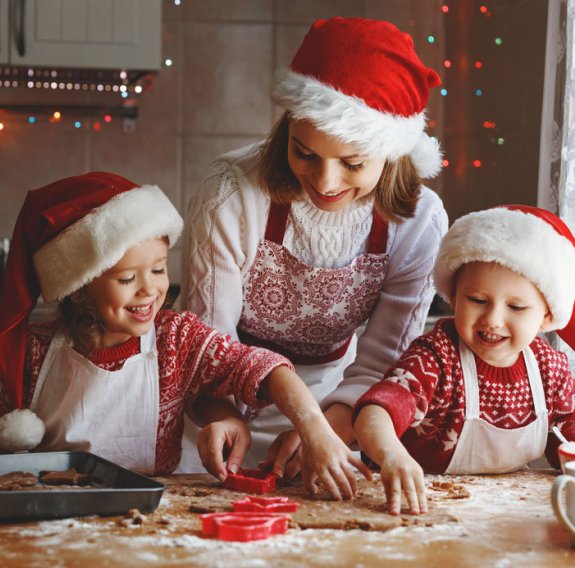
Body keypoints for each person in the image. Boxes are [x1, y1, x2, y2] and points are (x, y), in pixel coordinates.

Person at [180, 16, 448, 475]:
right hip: (215, 404)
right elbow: (208, 342)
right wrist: (222, 416)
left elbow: (383, 362)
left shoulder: (419, 220)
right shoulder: (232, 192)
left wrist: (323, 429)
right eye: (304, 152)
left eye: (353, 163)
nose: (325, 182)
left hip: (336, 400)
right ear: (288, 128)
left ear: (391, 152)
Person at [0, 171, 370, 500]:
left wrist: (314, 428)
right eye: (127, 279)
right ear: (80, 287)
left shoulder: (175, 339)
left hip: (148, 517)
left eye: (159, 270)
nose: (149, 290)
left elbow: (262, 367)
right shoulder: (32, 352)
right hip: (52, 515)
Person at [353, 205, 575, 515]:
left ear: (547, 315)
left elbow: (568, 442)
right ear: (453, 296)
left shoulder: (551, 370)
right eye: (477, 300)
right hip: (412, 505)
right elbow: (375, 412)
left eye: (517, 307)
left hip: (500, 514)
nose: (493, 320)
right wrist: (391, 455)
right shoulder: (436, 357)